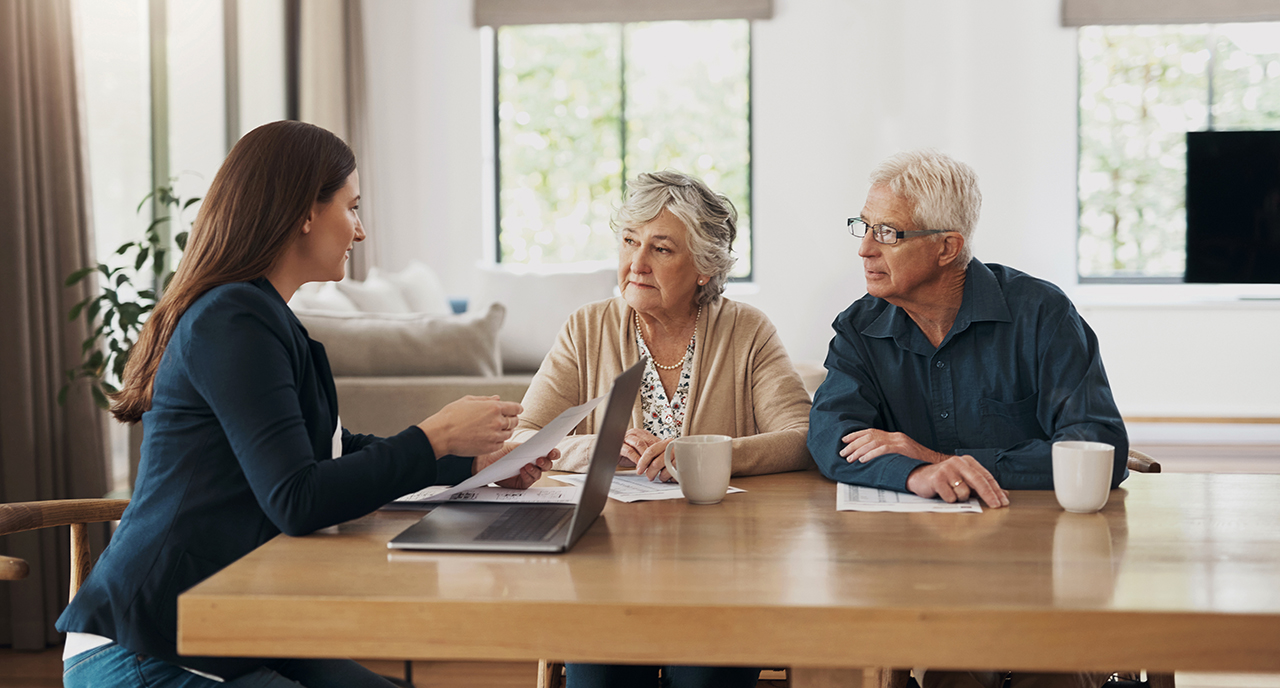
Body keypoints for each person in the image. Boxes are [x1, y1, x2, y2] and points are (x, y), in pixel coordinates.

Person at [56, 120, 553, 688]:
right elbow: (296, 498)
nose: (360, 231)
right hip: (150, 644)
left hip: (226, 625)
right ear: (305, 213)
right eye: (353, 206)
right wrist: (435, 435)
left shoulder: (262, 318)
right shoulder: (234, 320)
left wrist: (471, 465)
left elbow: (334, 454)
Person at [808, 149, 1126, 688]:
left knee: (1054, 676)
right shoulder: (860, 328)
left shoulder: (1041, 313)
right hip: (920, 574)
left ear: (946, 248)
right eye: (863, 227)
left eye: (887, 232)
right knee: (948, 673)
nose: (864, 248)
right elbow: (830, 436)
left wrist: (944, 461)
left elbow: (1097, 447)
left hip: (1045, 566)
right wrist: (915, 474)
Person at [513, 170, 811, 688]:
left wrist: (699, 454)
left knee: (703, 676)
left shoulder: (747, 329)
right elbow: (523, 440)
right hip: (604, 563)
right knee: (601, 675)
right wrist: (597, 448)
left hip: (722, 569)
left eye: (662, 249)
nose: (637, 263)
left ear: (704, 268)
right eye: (630, 241)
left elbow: (801, 436)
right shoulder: (586, 327)